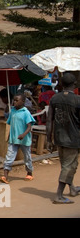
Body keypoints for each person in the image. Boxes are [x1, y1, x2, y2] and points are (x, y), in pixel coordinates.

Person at [46, 73, 80, 204]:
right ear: (74, 84)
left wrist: (49, 139)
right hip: (73, 138)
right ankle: (58, 195)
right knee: (68, 166)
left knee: (69, 165)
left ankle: (72, 189)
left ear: (61, 84)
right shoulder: (77, 100)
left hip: (59, 138)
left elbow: (49, 120)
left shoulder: (55, 99)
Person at [0, 93, 36, 184]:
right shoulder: (13, 111)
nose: (14, 102)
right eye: (13, 100)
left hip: (24, 139)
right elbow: (9, 122)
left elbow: (29, 127)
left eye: (16, 100)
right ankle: (5, 175)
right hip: (14, 139)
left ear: (22, 102)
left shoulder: (25, 112)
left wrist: (23, 134)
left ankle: (29, 172)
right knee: (9, 156)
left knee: (27, 157)